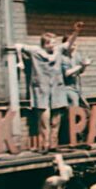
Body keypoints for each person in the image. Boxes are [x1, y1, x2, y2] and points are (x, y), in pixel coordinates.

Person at [17, 22, 84, 151]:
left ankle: (54, 144)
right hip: (42, 90)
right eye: (50, 42)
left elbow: (69, 44)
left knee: (56, 120)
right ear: (45, 43)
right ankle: (45, 144)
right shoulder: (35, 51)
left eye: (54, 42)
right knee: (44, 120)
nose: (53, 45)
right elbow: (18, 46)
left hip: (57, 89)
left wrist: (76, 32)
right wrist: (21, 62)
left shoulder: (58, 50)